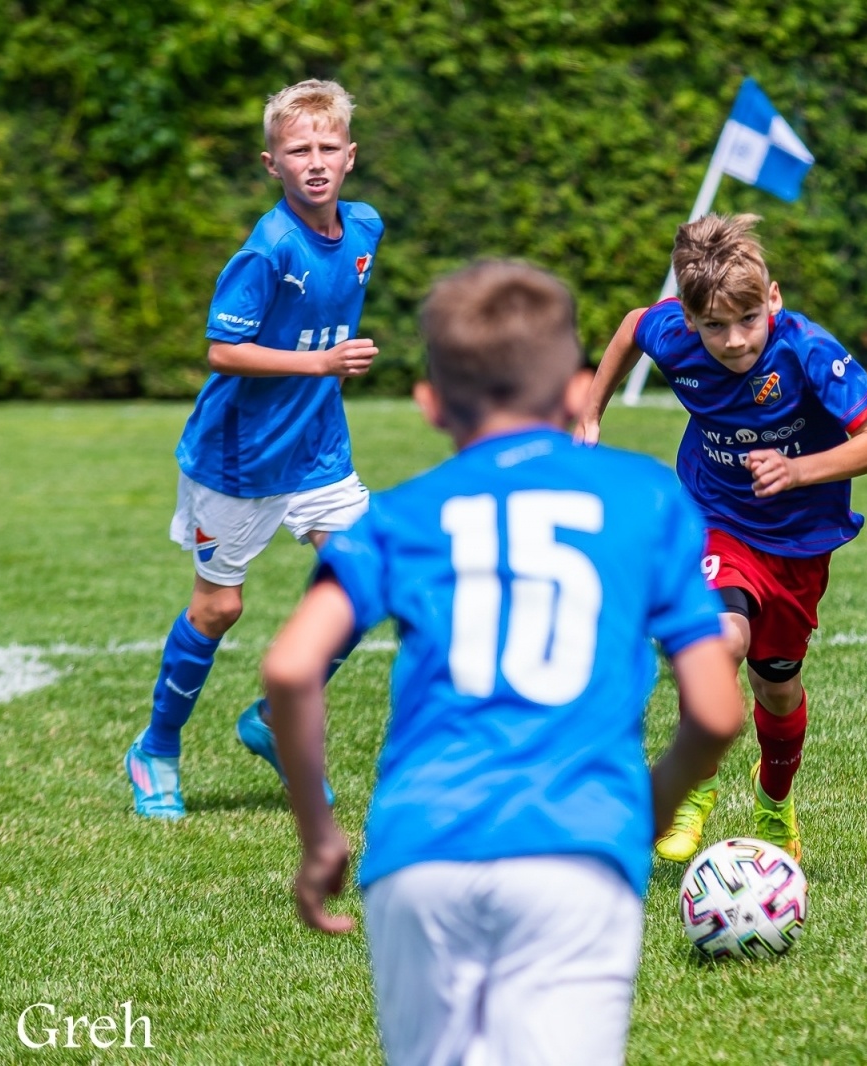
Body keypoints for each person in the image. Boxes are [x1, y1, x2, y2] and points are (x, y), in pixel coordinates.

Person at [262, 260, 742, 1066]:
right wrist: (651, 810)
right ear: (578, 390)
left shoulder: (401, 514)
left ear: (429, 404)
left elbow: (289, 667)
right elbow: (718, 711)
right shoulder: (648, 497)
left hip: (420, 848)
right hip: (578, 847)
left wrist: (319, 837)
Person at [577, 213, 867, 862]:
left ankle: (775, 803)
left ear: (772, 298)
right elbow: (634, 325)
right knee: (721, 641)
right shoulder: (676, 335)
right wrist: (590, 412)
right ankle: (695, 788)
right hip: (714, 517)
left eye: (748, 319)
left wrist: (797, 470)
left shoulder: (806, 351)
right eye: (714, 326)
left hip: (798, 541)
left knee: (777, 688)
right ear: (690, 320)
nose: (734, 339)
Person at [124, 79, 383, 819]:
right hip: (239, 456)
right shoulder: (268, 249)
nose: (315, 161)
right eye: (298, 150)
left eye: (328, 147)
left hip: (318, 449)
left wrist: (322, 375)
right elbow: (222, 351)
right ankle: (155, 750)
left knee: (367, 576)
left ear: (350, 155)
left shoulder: (365, 228)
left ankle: (274, 719)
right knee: (219, 609)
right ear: (272, 163)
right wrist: (321, 363)